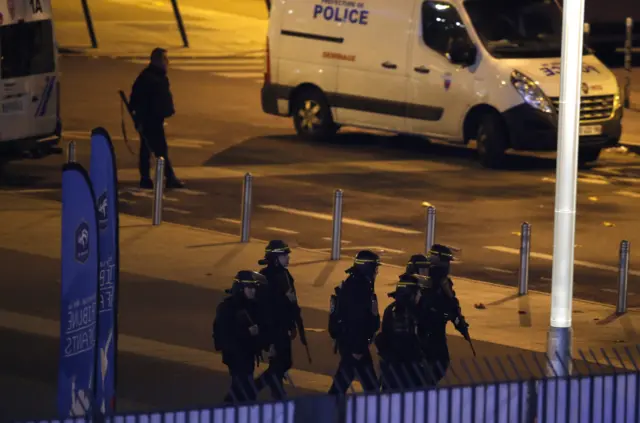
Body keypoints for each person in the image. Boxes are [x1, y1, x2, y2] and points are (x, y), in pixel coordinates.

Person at [129, 47, 184, 190]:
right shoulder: (151, 78)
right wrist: (140, 119)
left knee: (150, 149)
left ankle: (148, 179)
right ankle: (166, 178)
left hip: (154, 118)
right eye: (165, 59)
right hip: (150, 119)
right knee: (158, 149)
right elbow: (138, 101)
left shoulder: (155, 76)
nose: (168, 62)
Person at [327, 250, 381, 394]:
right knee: (367, 388)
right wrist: (357, 349)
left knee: (348, 384)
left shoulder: (356, 284)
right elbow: (356, 320)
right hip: (355, 347)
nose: (377, 272)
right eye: (375, 268)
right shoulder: (359, 289)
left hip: (354, 345)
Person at [252, 240, 300, 399]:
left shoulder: (285, 274)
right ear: (275, 258)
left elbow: (291, 301)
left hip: (283, 326)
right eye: (284, 255)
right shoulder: (266, 277)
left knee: (279, 362)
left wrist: (293, 324)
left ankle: (277, 394)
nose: (288, 258)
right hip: (273, 327)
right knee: (282, 362)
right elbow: (266, 306)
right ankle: (255, 388)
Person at [212, 270, 269, 403]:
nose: (253, 291)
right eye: (250, 288)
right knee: (245, 390)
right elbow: (224, 333)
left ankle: (228, 410)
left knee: (240, 389)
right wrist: (247, 332)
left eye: (254, 288)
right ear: (241, 288)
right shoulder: (227, 308)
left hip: (248, 354)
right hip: (235, 355)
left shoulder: (252, 306)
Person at [419, 244, 470, 385]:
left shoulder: (434, 280)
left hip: (432, 330)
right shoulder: (433, 281)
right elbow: (445, 305)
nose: (448, 265)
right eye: (446, 261)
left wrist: (459, 321)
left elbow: (452, 304)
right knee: (436, 365)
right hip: (430, 332)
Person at [375, 274, 429, 391]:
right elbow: (409, 343)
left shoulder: (391, 309)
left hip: (391, 368)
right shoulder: (409, 314)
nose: (420, 295)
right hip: (406, 370)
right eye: (418, 292)